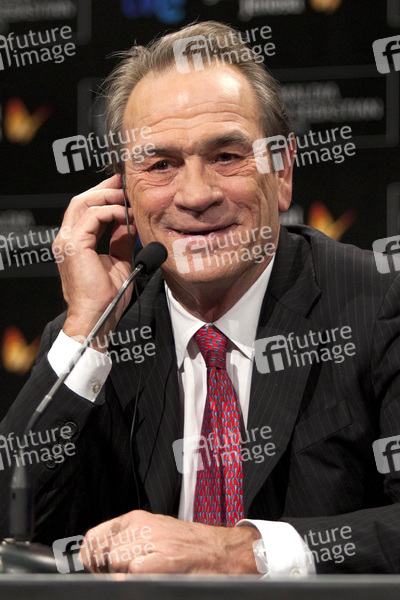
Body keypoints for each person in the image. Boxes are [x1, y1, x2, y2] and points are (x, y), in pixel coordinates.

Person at [1, 20, 400, 575]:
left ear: (282, 172)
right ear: (123, 192)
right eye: (160, 165)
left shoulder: (378, 303)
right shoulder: (99, 335)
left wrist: (235, 553)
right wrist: (84, 333)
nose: (195, 195)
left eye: (227, 156)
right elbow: (13, 532)